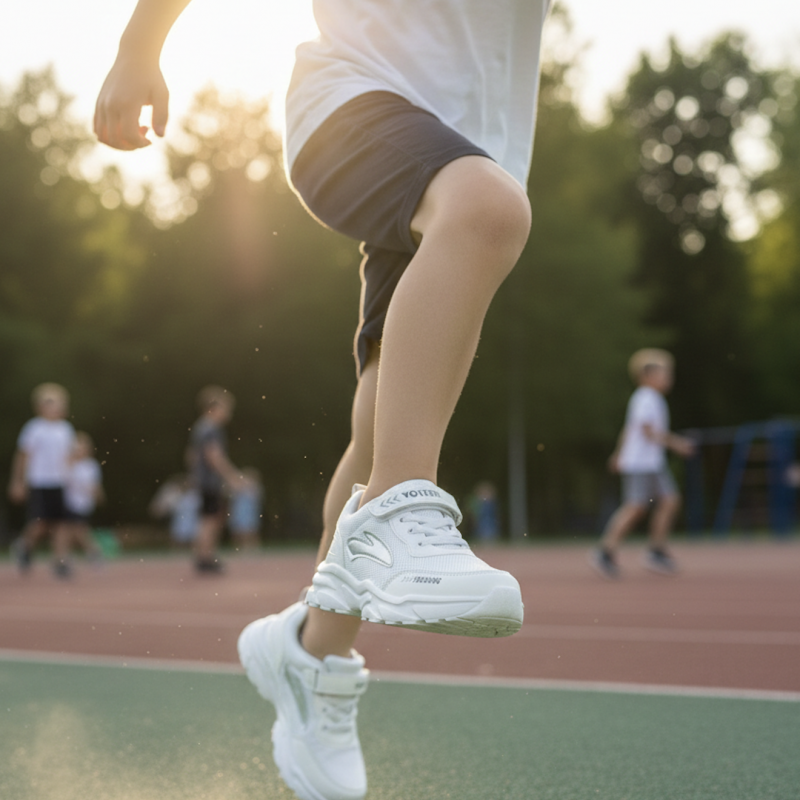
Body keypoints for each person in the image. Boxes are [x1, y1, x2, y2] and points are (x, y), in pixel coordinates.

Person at [95, 2, 550, 797]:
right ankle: (407, 513)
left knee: (379, 429)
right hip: (356, 105)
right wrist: (140, 46)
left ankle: (311, 654)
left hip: (469, 153)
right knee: (488, 212)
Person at [592, 349, 695, 579]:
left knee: (670, 500)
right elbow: (647, 431)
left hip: (651, 463)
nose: (669, 377)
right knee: (635, 507)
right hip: (641, 463)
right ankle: (605, 552)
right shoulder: (646, 397)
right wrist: (677, 444)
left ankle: (656, 551)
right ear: (647, 375)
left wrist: (618, 453)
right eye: (664, 373)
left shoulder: (649, 398)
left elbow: (629, 428)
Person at [7, 383, 76, 578]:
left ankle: (61, 561)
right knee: (40, 522)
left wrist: (72, 477)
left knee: (62, 523)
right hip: (39, 482)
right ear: (39, 406)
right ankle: (24, 546)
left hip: (60, 482)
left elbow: (69, 457)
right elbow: (22, 456)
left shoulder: (65, 429)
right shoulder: (34, 428)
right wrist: (17, 482)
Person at [187, 385, 246, 573]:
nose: (228, 413)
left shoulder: (200, 427)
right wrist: (232, 477)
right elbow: (214, 456)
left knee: (209, 517)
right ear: (212, 408)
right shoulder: (210, 428)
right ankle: (205, 557)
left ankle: (204, 555)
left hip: (204, 480)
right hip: (210, 482)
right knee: (210, 518)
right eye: (225, 408)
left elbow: (191, 455)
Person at [64, 431, 105, 564]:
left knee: (78, 530)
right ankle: (88, 553)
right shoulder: (68, 464)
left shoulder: (91, 465)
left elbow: (95, 485)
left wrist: (98, 495)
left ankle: (93, 552)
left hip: (84, 503)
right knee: (72, 531)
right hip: (69, 502)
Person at [149, 473, 201, 548]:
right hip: (177, 529)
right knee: (178, 549)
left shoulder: (195, 495)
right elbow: (157, 510)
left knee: (194, 547)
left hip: (194, 530)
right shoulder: (174, 495)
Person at [228, 467, 263, 551]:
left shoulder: (254, 489)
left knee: (251, 530)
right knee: (238, 531)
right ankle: (239, 548)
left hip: (249, 513)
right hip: (239, 512)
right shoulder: (238, 489)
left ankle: (252, 547)